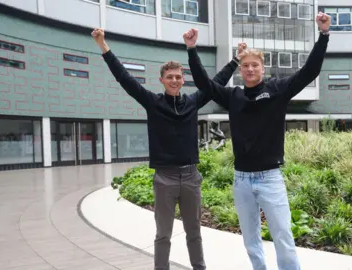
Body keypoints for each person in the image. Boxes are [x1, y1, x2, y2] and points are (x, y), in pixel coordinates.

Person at [184, 12, 331, 270]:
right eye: (246, 65)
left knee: (283, 237)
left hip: (270, 178)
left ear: (263, 68)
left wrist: (323, 35)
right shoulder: (233, 95)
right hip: (242, 180)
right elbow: (204, 85)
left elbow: (310, 72)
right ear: (240, 70)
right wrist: (192, 49)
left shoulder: (277, 90)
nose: (250, 69)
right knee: (251, 240)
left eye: (255, 65)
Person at [92, 28, 245, 270]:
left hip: (191, 177)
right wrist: (103, 45)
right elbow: (124, 78)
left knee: (194, 232)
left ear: (183, 79)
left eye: (178, 76)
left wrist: (236, 59)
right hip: (165, 178)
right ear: (162, 80)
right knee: (163, 234)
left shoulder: (193, 102)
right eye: (170, 77)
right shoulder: (153, 102)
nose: (174, 80)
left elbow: (216, 83)